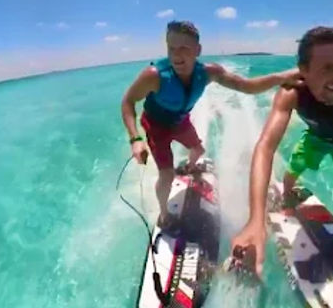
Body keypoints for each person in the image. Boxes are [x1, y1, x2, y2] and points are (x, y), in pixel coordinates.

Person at [230, 26, 333, 274]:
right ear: (303, 70)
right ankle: (287, 197)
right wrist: (255, 219)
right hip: (315, 138)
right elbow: (265, 147)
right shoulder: (291, 93)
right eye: (327, 68)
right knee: (291, 173)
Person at [121, 20, 301, 230]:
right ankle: (164, 214)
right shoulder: (154, 76)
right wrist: (135, 139)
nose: (177, 56)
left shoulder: (208, 73)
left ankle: (189, 168)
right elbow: (128, 102)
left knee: (198, 149)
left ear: (198, 50)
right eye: (171, 48)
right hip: (156, 127)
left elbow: (248, 87)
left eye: (184, 49)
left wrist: (283, 77)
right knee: (167, 174)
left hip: (180, 121)